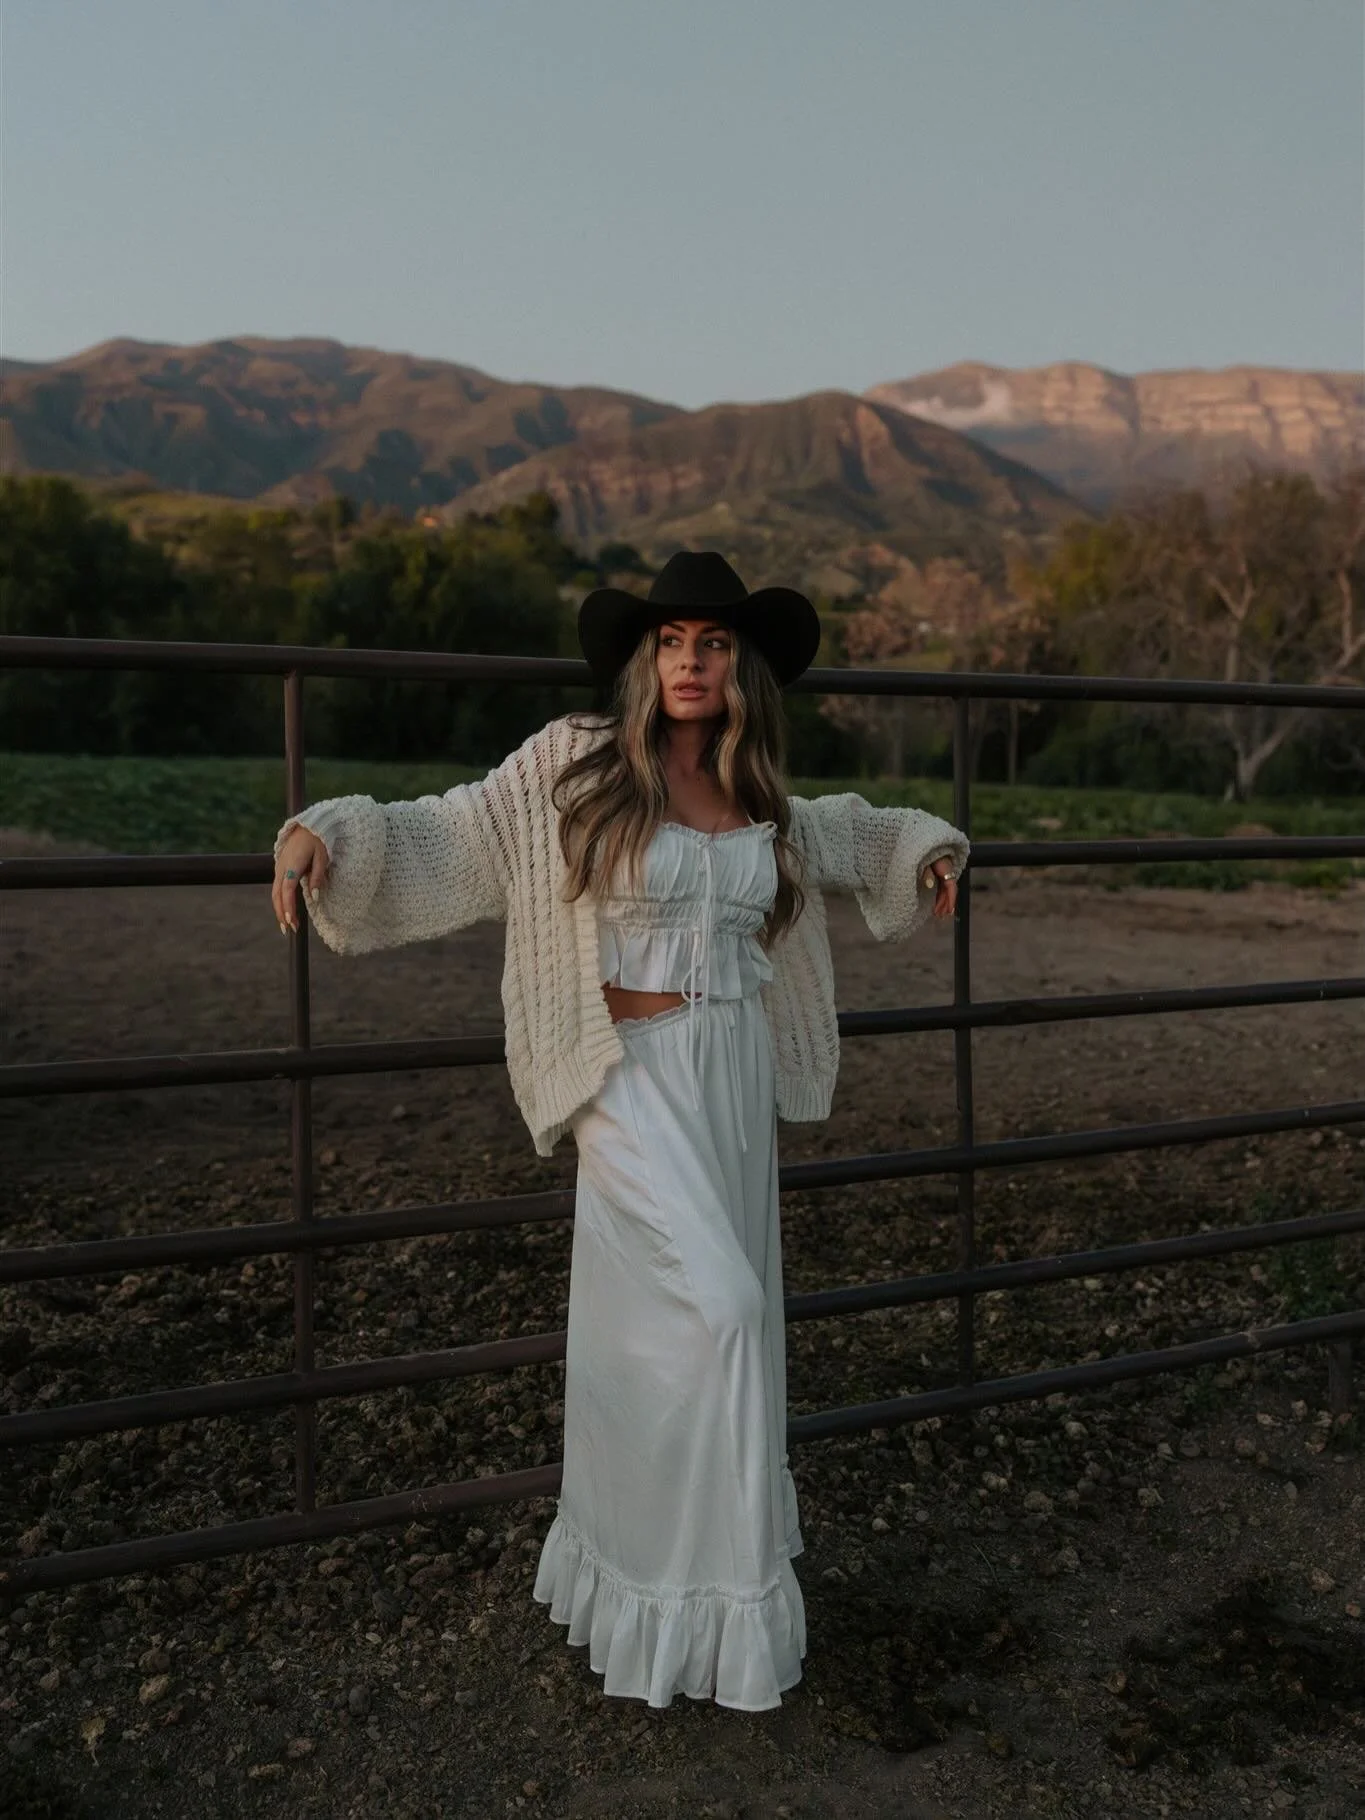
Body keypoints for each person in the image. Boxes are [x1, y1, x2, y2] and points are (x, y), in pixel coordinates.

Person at [270, 549, 970, 1712]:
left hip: (732, 1077)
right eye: (672, 642)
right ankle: (671, 1593)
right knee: (724, 1313)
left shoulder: (761, 792)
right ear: (645, 659)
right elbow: (449, 831)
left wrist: (927, 843)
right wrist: (327, 832)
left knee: (675, 1342)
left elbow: (854, 833)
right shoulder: (575, 763)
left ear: (739, 665)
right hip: (628, 1075)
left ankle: (695, 1605)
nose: (692, 662)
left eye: (713, 644)